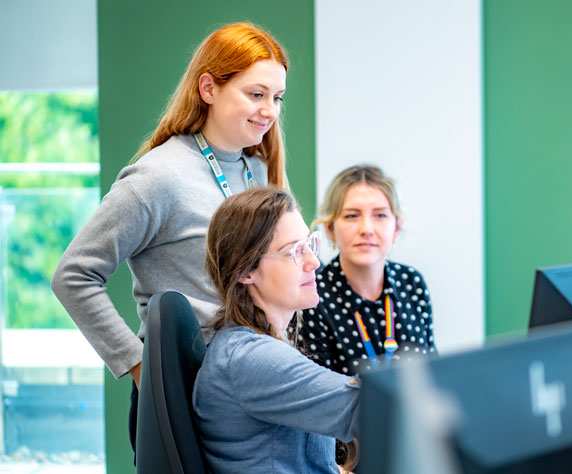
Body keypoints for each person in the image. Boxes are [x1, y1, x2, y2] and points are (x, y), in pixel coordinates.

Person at [50, 22, 289, 455]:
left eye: (277, 97)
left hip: (249, 384)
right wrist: (144, 369)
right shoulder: (159, 176)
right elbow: (73, 275)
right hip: (185, 396)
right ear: (209, 88)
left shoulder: (256, 170)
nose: (269, 110)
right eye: (256, 94)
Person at [195, 186, 359, 473]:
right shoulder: (252, 359)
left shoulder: (255, 344)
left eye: (309, 245)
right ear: (245, 271)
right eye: (295, 251)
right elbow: (363, 409)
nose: (314, 262)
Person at [300, 165, 436, 376]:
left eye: (380, 216)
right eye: (351, 216)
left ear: (396, 228)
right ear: (330, 229)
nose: (367, 229)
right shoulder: (313, 296)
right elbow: (317, 395)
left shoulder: (411, 283)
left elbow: (432, 371)